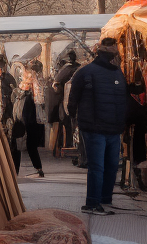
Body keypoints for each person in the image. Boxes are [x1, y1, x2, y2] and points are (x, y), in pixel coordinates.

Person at [68, 37, 131, 214]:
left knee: (108, 166)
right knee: (100, 166)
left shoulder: (114, 73)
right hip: (96, 128)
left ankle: (104, 198)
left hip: (109, 128)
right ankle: (93, 202)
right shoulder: (89, 72)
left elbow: (73, 99)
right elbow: (73, 100)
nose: (116, 56)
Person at [5, 68, 45, 177]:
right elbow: (14, 101)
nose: (24, 81)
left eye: (27, 78)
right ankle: (15, 170)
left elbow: (35, 106)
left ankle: (37, 168)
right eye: (24, 78)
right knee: (16, 146)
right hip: (19, 123)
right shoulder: (19, 92)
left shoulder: (32, 95)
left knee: (29, 146)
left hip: (29, 124)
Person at [51, 49, 80, 158]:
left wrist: (58, 91)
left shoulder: (66, 69)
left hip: (66, 100)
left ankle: (68, 145)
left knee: (66, 124)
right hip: (77, 101)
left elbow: (56, 84)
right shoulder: (79, 68)